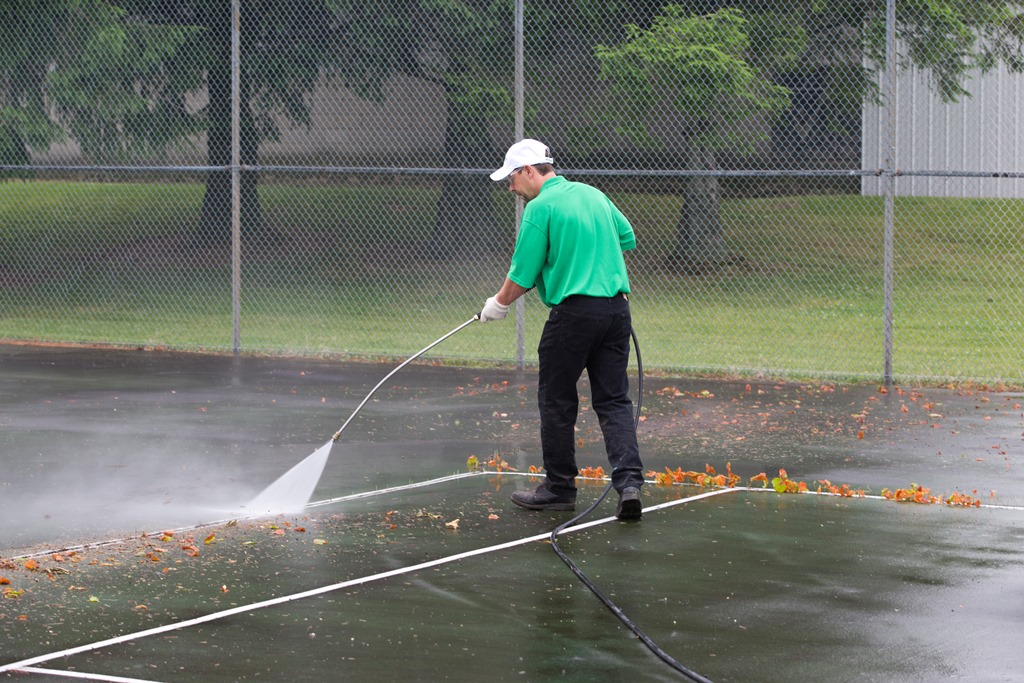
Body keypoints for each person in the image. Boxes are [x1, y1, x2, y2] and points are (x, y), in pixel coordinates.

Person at [478, 138, 644, 520]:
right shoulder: (594, 195)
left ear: (529, 171)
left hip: (573, 317)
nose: (511, 188)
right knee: (614, 400)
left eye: (512, 179)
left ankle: (559, 488)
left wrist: (499, 305)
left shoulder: (540, 209)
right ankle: (630, 484)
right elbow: (626, 238)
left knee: (557, 400)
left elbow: (521, 274)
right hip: (616, 312)